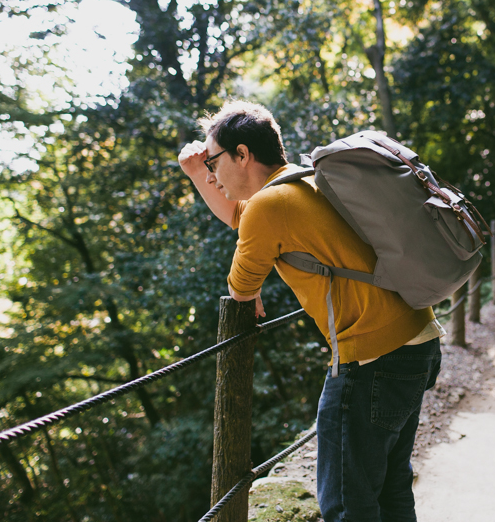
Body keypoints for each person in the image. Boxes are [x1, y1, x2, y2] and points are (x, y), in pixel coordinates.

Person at [178, 100, 443, 522]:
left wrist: (249, 289)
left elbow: (239, 285)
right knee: (391, 489)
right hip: (417, 339)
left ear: (242, 154)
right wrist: (196, 172)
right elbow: (236, 215)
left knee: (344, 504)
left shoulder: (270, 207)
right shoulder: (301, 183)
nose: (211, 173)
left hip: (373, 359)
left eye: (213, 162)